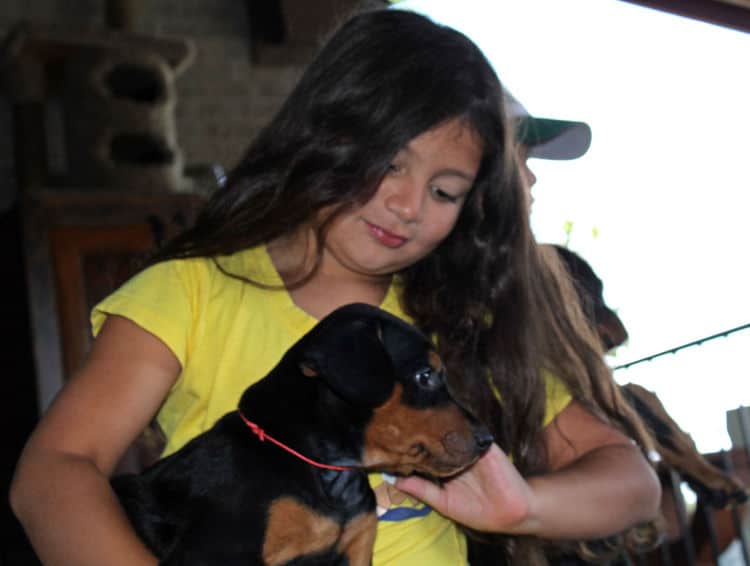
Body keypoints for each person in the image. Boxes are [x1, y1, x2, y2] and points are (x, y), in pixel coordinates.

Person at [10, 8, 660, 566]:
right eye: (388, 162)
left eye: (444, 191)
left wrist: (525, 508)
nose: (407, 205)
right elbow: (55, 471)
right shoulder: (194, 292)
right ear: (324, 135)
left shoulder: (449, 321)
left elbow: (631, 479)